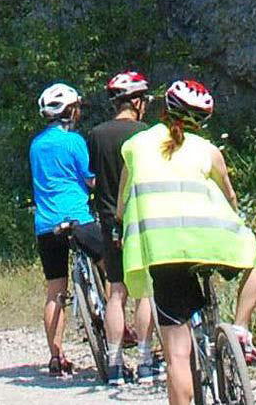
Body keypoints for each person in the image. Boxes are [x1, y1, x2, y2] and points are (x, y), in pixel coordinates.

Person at [119, 80, 256, 405]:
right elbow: (231, 200)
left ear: (165, 107)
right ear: (202, 121)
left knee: (177, 355)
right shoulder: (209, 151)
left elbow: (121, 206)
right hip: (215, 242)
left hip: (164, 251)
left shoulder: (136, 145)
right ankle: (241, 328)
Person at [28, 83, 108, 377]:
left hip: (46, 225)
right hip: (77, 217)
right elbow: (90, 180)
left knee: (55, 291)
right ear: (70, 111)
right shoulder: (74, 142)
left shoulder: (36, 145)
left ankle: (55, 355)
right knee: (111, 263)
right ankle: (114, 321)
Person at [86, 70, 161, 384]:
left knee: (116, 292)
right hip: (140, 217)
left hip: (109, 221)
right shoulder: (147, 134)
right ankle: (145, 361)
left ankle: (115, 365)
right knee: (146, 290)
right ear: (137, 101)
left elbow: (91, 177)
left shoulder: (96, 135)